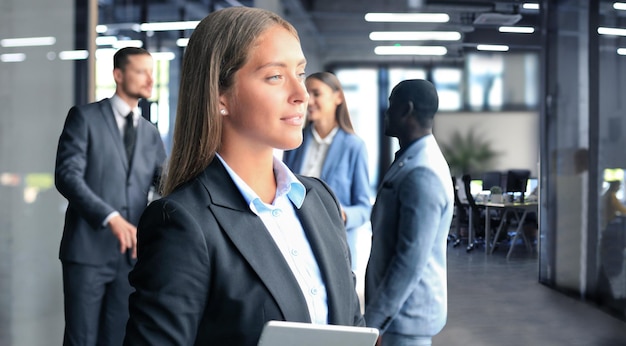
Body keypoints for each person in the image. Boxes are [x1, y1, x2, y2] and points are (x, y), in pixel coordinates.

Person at [123, 7, 364, 346]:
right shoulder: (182, 223)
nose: (301, 94)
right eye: (275, 76)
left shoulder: (319, 201)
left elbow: (352, 323)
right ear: (220, 96)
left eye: (300, 72)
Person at [54, 47, 166, 346]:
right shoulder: (85, 117)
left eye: (151, 72)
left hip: (130, 258)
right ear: (118, 75)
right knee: (82, 339)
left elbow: (166, 185)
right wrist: (111, 218)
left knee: (118, 339)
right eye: (141, 71)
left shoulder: (150, 133)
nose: (149, 79)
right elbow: (67, 177)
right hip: (87, 253)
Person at [364, 79, 454, 346]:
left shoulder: (422, 172)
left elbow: (410, 260)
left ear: (407, 110)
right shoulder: (410, 159)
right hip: (398, 314)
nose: (386, 112)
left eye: (391, 105)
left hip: (404, 318)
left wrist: (374, 322)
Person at [283, 71, 371, 273]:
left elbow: (364, 209)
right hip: (296, 244)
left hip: (335, 247)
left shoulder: (354, 146)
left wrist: (343, 214)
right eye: (307, 94)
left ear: (338, 97)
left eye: (316, 93)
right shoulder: (295, 142)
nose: (309, 100)